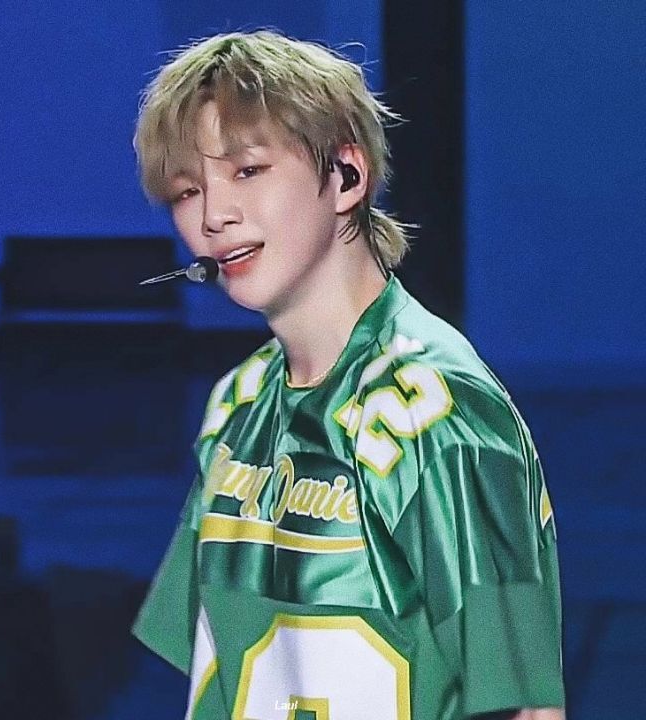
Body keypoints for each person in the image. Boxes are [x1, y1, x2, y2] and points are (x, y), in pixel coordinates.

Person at [131, 29, 566, 720]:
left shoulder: (440, 413)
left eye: (248, 171)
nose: (214, 216)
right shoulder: (236, 403)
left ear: (347, 176)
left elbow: (526, 708)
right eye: (187, 191)